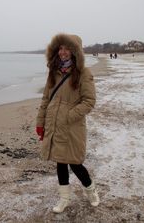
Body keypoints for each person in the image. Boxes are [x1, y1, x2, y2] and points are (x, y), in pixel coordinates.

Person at [36, 33, 99, 213]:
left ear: (75, 52)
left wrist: (68, 116)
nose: (63, 52)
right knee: (60, 162)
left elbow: (89, 101)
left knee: (75, 163)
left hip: (72, 127)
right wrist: (40, 123)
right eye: (61, 48)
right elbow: (45, 99)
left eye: (67, 48)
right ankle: (64, 198)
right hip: (54, 124)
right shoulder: (54, 72)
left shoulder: (84, 73)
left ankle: (91, 190)